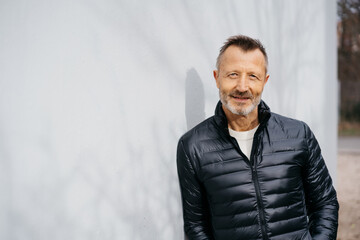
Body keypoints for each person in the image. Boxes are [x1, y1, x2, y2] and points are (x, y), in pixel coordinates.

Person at [177, 35, 339, 240]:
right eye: (233, 74)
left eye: (253, 76)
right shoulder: (192, 146)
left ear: (264, 81)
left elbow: (325, 203)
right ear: (217, 78)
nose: (242, 87)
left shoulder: (298, 134)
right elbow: (195, 226)